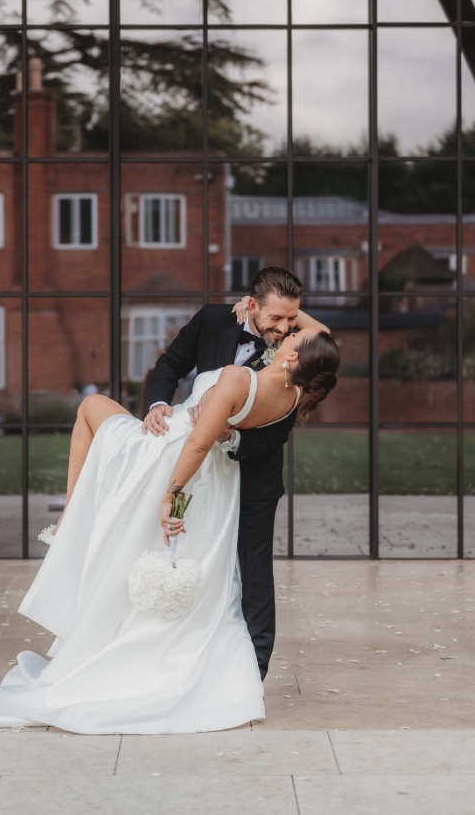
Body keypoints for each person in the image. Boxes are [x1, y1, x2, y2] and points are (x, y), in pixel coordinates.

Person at [0, 304, 339, 735]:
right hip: (213, 485)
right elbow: (320, 339)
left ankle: (71, 516)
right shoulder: (292, 394)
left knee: (91, 409)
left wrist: (169, 496)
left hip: (170, 459)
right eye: (285, 324)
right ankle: (96, 555)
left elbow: (197, 445)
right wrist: (273, 315)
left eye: (293, 334)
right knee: (175, 557)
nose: (289, 331)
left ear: (295, 356)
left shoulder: (239, 378)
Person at [143, 266, 317, 679]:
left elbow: (280, 430)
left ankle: (253, 672)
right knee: (183, 550)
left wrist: (234, 438)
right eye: (275, 318)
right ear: (251, 305)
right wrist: (158, 404)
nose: (283, 328)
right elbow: (170, 364)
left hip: (254, 475)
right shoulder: (212, 319)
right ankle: (179, 657)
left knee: (253, 572)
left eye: (291, 318)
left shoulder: (294, 347)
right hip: (195, 469)